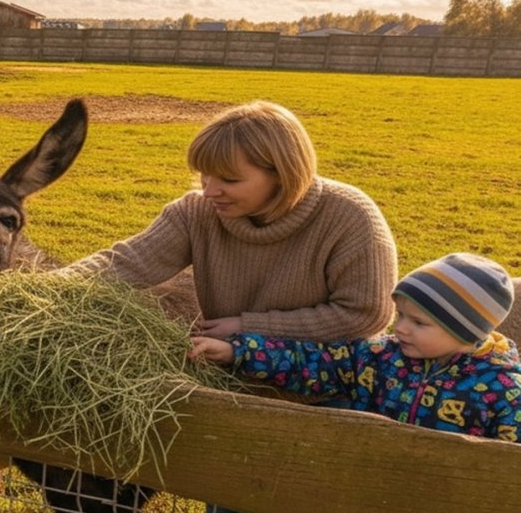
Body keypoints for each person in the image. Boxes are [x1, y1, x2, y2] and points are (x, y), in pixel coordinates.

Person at [62, 100, 398, 342]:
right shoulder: (196, 213)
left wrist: (246, 327)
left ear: (282, 175)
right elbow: (124, 262)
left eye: (229, 180)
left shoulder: (349, 217)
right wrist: (33, 291)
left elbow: (364, 315)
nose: (210, 191)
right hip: (231, 367)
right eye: (204, 176)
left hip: (328, 382)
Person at [189, 253, 521, 441]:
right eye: (401, 315)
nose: (400, 328)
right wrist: (238, 351)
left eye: (419, 323)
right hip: (367, 483)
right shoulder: (379, 357)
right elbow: (311, 362)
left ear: (466, 330)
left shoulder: (503, 389)